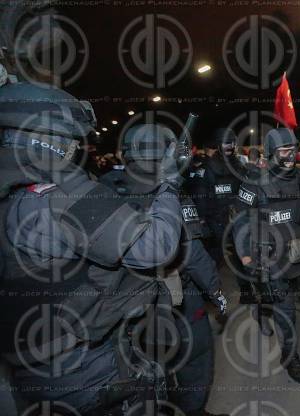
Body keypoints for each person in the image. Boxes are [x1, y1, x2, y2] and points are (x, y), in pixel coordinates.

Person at [0, 82, 186, 414]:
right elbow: (156, 247)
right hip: (81, 366)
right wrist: (169, 184)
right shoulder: (59, 194)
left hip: (31, 359)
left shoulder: (12, 186)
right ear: (53, 140)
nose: (78, 149)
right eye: (73, 141)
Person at [100, 123, 228, 416]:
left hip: (123, 316)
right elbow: (192, 253)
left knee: (149, 380)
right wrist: (216, 292)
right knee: (195, 366)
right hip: (178, 307)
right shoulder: (169, 192)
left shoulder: (101, 189)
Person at [232, 128, 300, 384]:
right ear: (271, 153)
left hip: (296, 257)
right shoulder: (255, 182)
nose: (290, 156)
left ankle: (261, 308)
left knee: (280, 297)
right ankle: (290, 358)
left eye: (293, 150)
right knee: (287, 310)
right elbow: (240, 221)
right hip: (269, 259)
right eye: (284, 151)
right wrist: (246, 256)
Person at [188, 128, 246, 265]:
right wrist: (201, 221)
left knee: (241, 257)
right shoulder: (206, 168)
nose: (230, 147)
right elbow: (200, 197)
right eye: (226, 143)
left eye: (232, 143)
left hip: (235, 218)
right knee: (215, 257)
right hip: (215, 220)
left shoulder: (239, 166)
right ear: (218, 145)